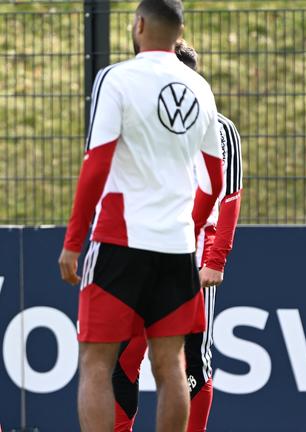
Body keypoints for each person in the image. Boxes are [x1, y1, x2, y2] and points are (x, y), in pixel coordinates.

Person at [57, 1, 223, 430]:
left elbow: (96, 164)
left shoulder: (117, 78)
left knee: (96, 363)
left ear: (140, 25)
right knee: (171, 365)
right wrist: (190, 223)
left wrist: (74, 243)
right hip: (177, 247)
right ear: (179, 31)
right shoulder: (200, 89)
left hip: (119, 243)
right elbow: (214, 181)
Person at [111, 40, 243, 432]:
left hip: (191, 258)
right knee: (122, 359)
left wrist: (215, 260)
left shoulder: (219, 127)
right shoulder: (136, 120)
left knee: (191, 360)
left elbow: (230, 196)